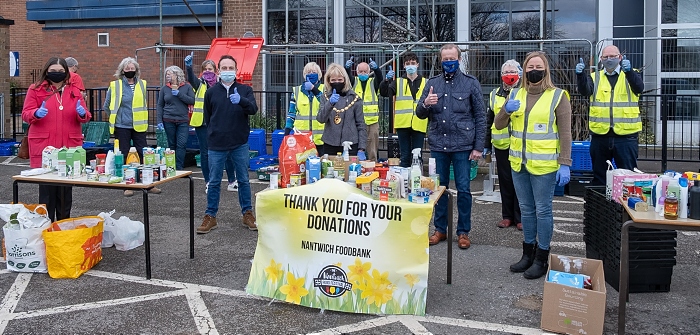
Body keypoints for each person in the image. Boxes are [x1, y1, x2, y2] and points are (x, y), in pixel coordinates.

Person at [495, 51, 572, 279]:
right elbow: (499, 125)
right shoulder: (516, 93)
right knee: (527, 211)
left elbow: (566, 134)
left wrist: (565, 163)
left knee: (543, 210)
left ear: (545, 69)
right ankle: (527, 254)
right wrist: (505, 111)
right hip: (518, 164)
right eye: (529, 67)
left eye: (537, 66)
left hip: (545, 167)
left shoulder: (558, 96)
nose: (533, 70)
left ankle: (542, 257)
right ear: (524, 71)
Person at [416, 43, 486, 250]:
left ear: (459, 59)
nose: (449, 62)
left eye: (452, 58)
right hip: (439, 145)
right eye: (445, 59)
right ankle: (440, 229)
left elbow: (480, 117)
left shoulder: (470, 83)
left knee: (464, 190)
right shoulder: (432, 83)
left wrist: (478, 147)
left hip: (463, 145)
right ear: (441, 60)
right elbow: (419, 113)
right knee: (438, 190)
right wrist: (426, 103)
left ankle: (463, 232)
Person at [21, 57, 91, 221]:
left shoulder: (74, 91)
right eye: (53, 70)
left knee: (65, 195)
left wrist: (82, 113)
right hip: (46, 147)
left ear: (66, 72)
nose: (57, 74)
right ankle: (46, 228)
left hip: (68, 148)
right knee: (46, 194)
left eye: (60, 71)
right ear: (46, 71)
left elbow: (86, 115)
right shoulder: (36, 89)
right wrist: (35, 113)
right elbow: (26, 113)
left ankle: (62, 228)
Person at [198, 55, 258, 234]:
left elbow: (253, 110)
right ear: (218, 71)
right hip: (217, 144)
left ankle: (247, 213)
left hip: (239, 143)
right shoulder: (211, 92)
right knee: (214, 181)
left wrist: (241, 100)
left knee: (244, 180)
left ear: (236, 70)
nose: (227, 71)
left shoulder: (245, 90)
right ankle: (210, 216)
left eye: (230, 67)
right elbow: (208, 117)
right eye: (223, 68)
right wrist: (213, 134)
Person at [576, 45, 644, 186]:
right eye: (605, 57)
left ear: (620, 57)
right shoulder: (595, 77)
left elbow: (639, 88)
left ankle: (623, 208)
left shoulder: (632, 74)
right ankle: (600, 207)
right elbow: (585, 91)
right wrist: (581, 75)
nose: (609, 59)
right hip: (600, 136)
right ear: (601, 60)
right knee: (600, 178)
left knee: (627, 178)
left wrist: (629, 72)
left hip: (626, 137)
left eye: (613, 56)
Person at [104, 57, 160, 196]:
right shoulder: (115, 85)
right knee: (123, 154)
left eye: (132, 68)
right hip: (122, 126)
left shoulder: (142, 84)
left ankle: (148, 183)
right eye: (127, 68)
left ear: (136, 70)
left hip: (139, 126)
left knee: (144, 154)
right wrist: (118, 117)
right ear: (122, 70)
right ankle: (127, 185)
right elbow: (107, 106)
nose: (130, 70)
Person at [184, 54, 238, 193]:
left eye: (210, 68)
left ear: (216, 70)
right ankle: (208, 182)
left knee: (227, 152)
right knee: (205, 153)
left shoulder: (222, 84)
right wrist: (189, 68)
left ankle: (232, 181)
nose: (208, 71)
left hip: (220, 123)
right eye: (205, 69)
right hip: (202, 123)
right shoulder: (200, 84)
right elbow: (191, 79)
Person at [484, 59, 522, 230]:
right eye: (506, 72)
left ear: (520, 74)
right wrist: (485, 144)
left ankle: (520, 217)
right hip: (501, 145)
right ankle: (507, 216)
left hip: (521, 145)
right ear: (501, 76)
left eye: (512, 72)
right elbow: (489, 121)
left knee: (520, 181)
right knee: (505, 181)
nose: (509, 75)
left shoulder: (525, 92)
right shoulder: (494, 95)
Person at [379, 51, 427, 168]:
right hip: (403, 124)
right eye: (408, 63)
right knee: (404, 156)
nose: (410, 65)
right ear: (404, 66)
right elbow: (384, 93)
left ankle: (416, 180)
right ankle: (405, 181)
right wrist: (386, 81)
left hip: (419, 123)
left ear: (417, 65)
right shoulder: (398, 82)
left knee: (418, 155)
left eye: (413, 63)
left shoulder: (426, 82)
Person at [317, 63, 367, 158]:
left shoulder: (355, 98)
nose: (337, 82)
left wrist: (361, 148)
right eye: (333, 80)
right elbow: (320, 119)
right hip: (330, 143)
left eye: (340, 80)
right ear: (328, 81)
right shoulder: (325, 97)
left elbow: (361, 124)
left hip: (351, 144)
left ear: (345, 80)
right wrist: (330, 104)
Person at [157, 65, 195, 171]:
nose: (167, 76)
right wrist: (159, 121)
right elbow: (160, 105)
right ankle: (171, 166)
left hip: (183, 120)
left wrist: (179, 94)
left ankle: (179, 167)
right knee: (171, 144)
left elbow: (192, 100)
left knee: (181, 144)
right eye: (166, 74)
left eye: (170, 74)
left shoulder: (187, 87)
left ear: (177, 74)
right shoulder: (164, 89)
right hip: (168, 119)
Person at [345, 57, 382, 161]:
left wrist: (377, 69)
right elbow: (347, 78)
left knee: (372, 149)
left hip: (372, 122)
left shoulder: (373, 83)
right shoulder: (354, 82)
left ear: (369, 72)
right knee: (357, 147)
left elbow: (380, 79)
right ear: (357, 72)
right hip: (357, 122)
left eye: (365, 71)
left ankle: (372, 167)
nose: (363, 73)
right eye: (360, 71)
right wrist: (347, 68)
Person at [284, 62, 325, 153]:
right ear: (304, 75)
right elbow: (292, 113)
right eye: (308, 72)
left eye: (314, 72)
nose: (311, 74)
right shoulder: (297, 91)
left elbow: (326, 104)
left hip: (321, 139)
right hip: (302, 137)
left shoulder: (325, 89)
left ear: (319, 74)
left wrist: (314, 89)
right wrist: (287, 131)